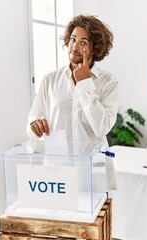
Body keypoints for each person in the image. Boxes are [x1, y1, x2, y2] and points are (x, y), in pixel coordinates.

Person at [26, 15, 118, 190]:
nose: (75, 46)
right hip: (58, 174)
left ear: (95, 49)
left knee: (97, 217)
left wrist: (84, 84)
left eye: (83, 42)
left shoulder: (108, 82)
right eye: (73, 39)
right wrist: (34, 124)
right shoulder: (50, 80)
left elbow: (102, 127)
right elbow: (33, 119)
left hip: (93, 172)